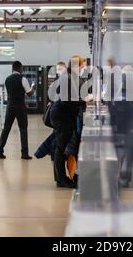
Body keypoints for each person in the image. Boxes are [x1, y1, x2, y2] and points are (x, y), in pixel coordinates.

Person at [50, 55, 89, 188]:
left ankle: (61, 177)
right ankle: (61, 179)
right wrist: (83, 101)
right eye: (81, 67)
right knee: (61, 147)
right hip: (61, 116)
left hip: (64, 114)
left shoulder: (69, 77)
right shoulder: (67, 78)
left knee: (61, 146)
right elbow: (67, 100)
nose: (82, 70)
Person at [0, 61, 36, 160]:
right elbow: (29, 94)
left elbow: (8, 94)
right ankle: (24, 153)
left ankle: (0, 151)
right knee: (23, 129)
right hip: (20, 107)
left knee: (6, 129)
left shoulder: (7, 79)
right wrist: (33, 87)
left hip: (10, 107)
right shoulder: (23, 79)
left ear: (12, 68)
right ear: (20, 68)